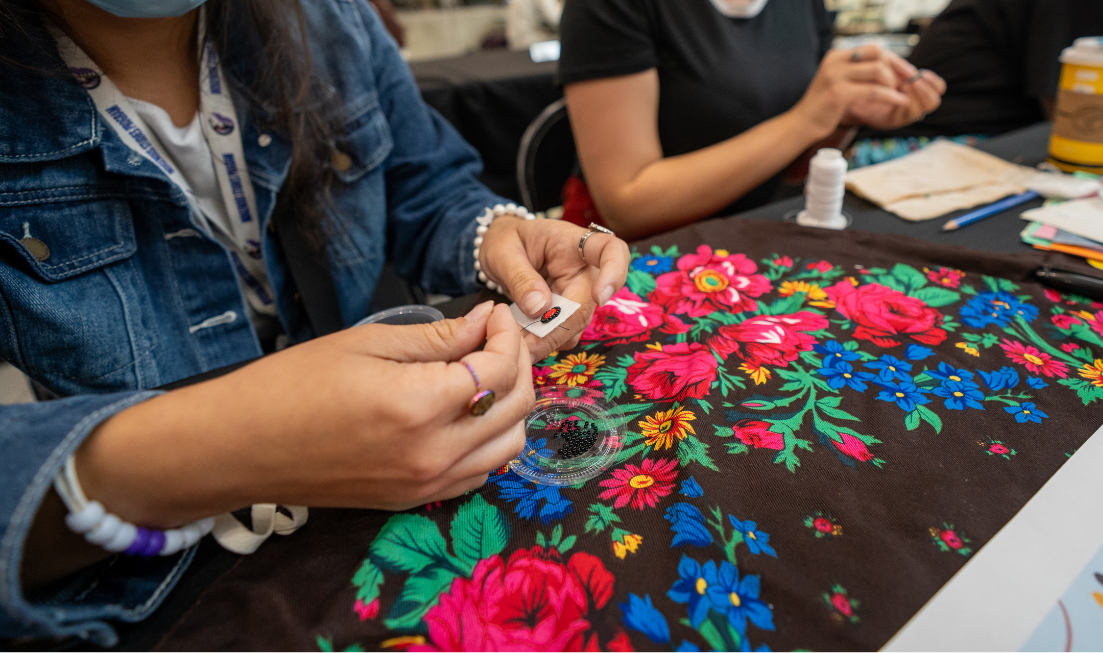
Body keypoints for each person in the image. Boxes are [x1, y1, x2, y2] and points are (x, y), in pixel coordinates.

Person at [0, 0, 628, 645]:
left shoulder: (329, 18)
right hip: (166, 582)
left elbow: (425, 185)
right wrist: (231, 445)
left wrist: (497, 234)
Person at [557, 0, 947, 240]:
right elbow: (628, 207)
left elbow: (791, 167)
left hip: (750, 230)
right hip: (628, 253)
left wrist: (843, 118)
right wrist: (806, 120)